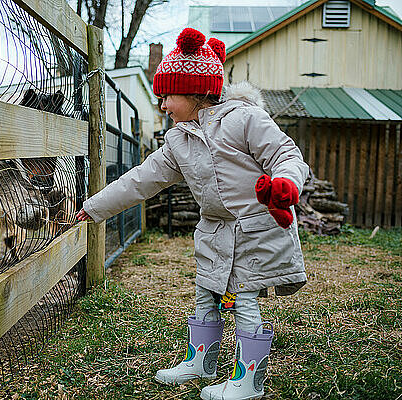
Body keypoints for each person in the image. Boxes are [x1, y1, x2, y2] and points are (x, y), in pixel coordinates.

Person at [76, 27, 309, 400]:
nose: (163, 105)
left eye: (167, 95)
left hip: (256, 228)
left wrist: (285, 184)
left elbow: (287, 154)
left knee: (243, 298)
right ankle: (201, 361)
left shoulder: (244, 121)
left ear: (195, 91)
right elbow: (140, 180)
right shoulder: (179, 139)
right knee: (206, 291)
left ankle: (248, 381)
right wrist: (93, 207)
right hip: (214, 231)